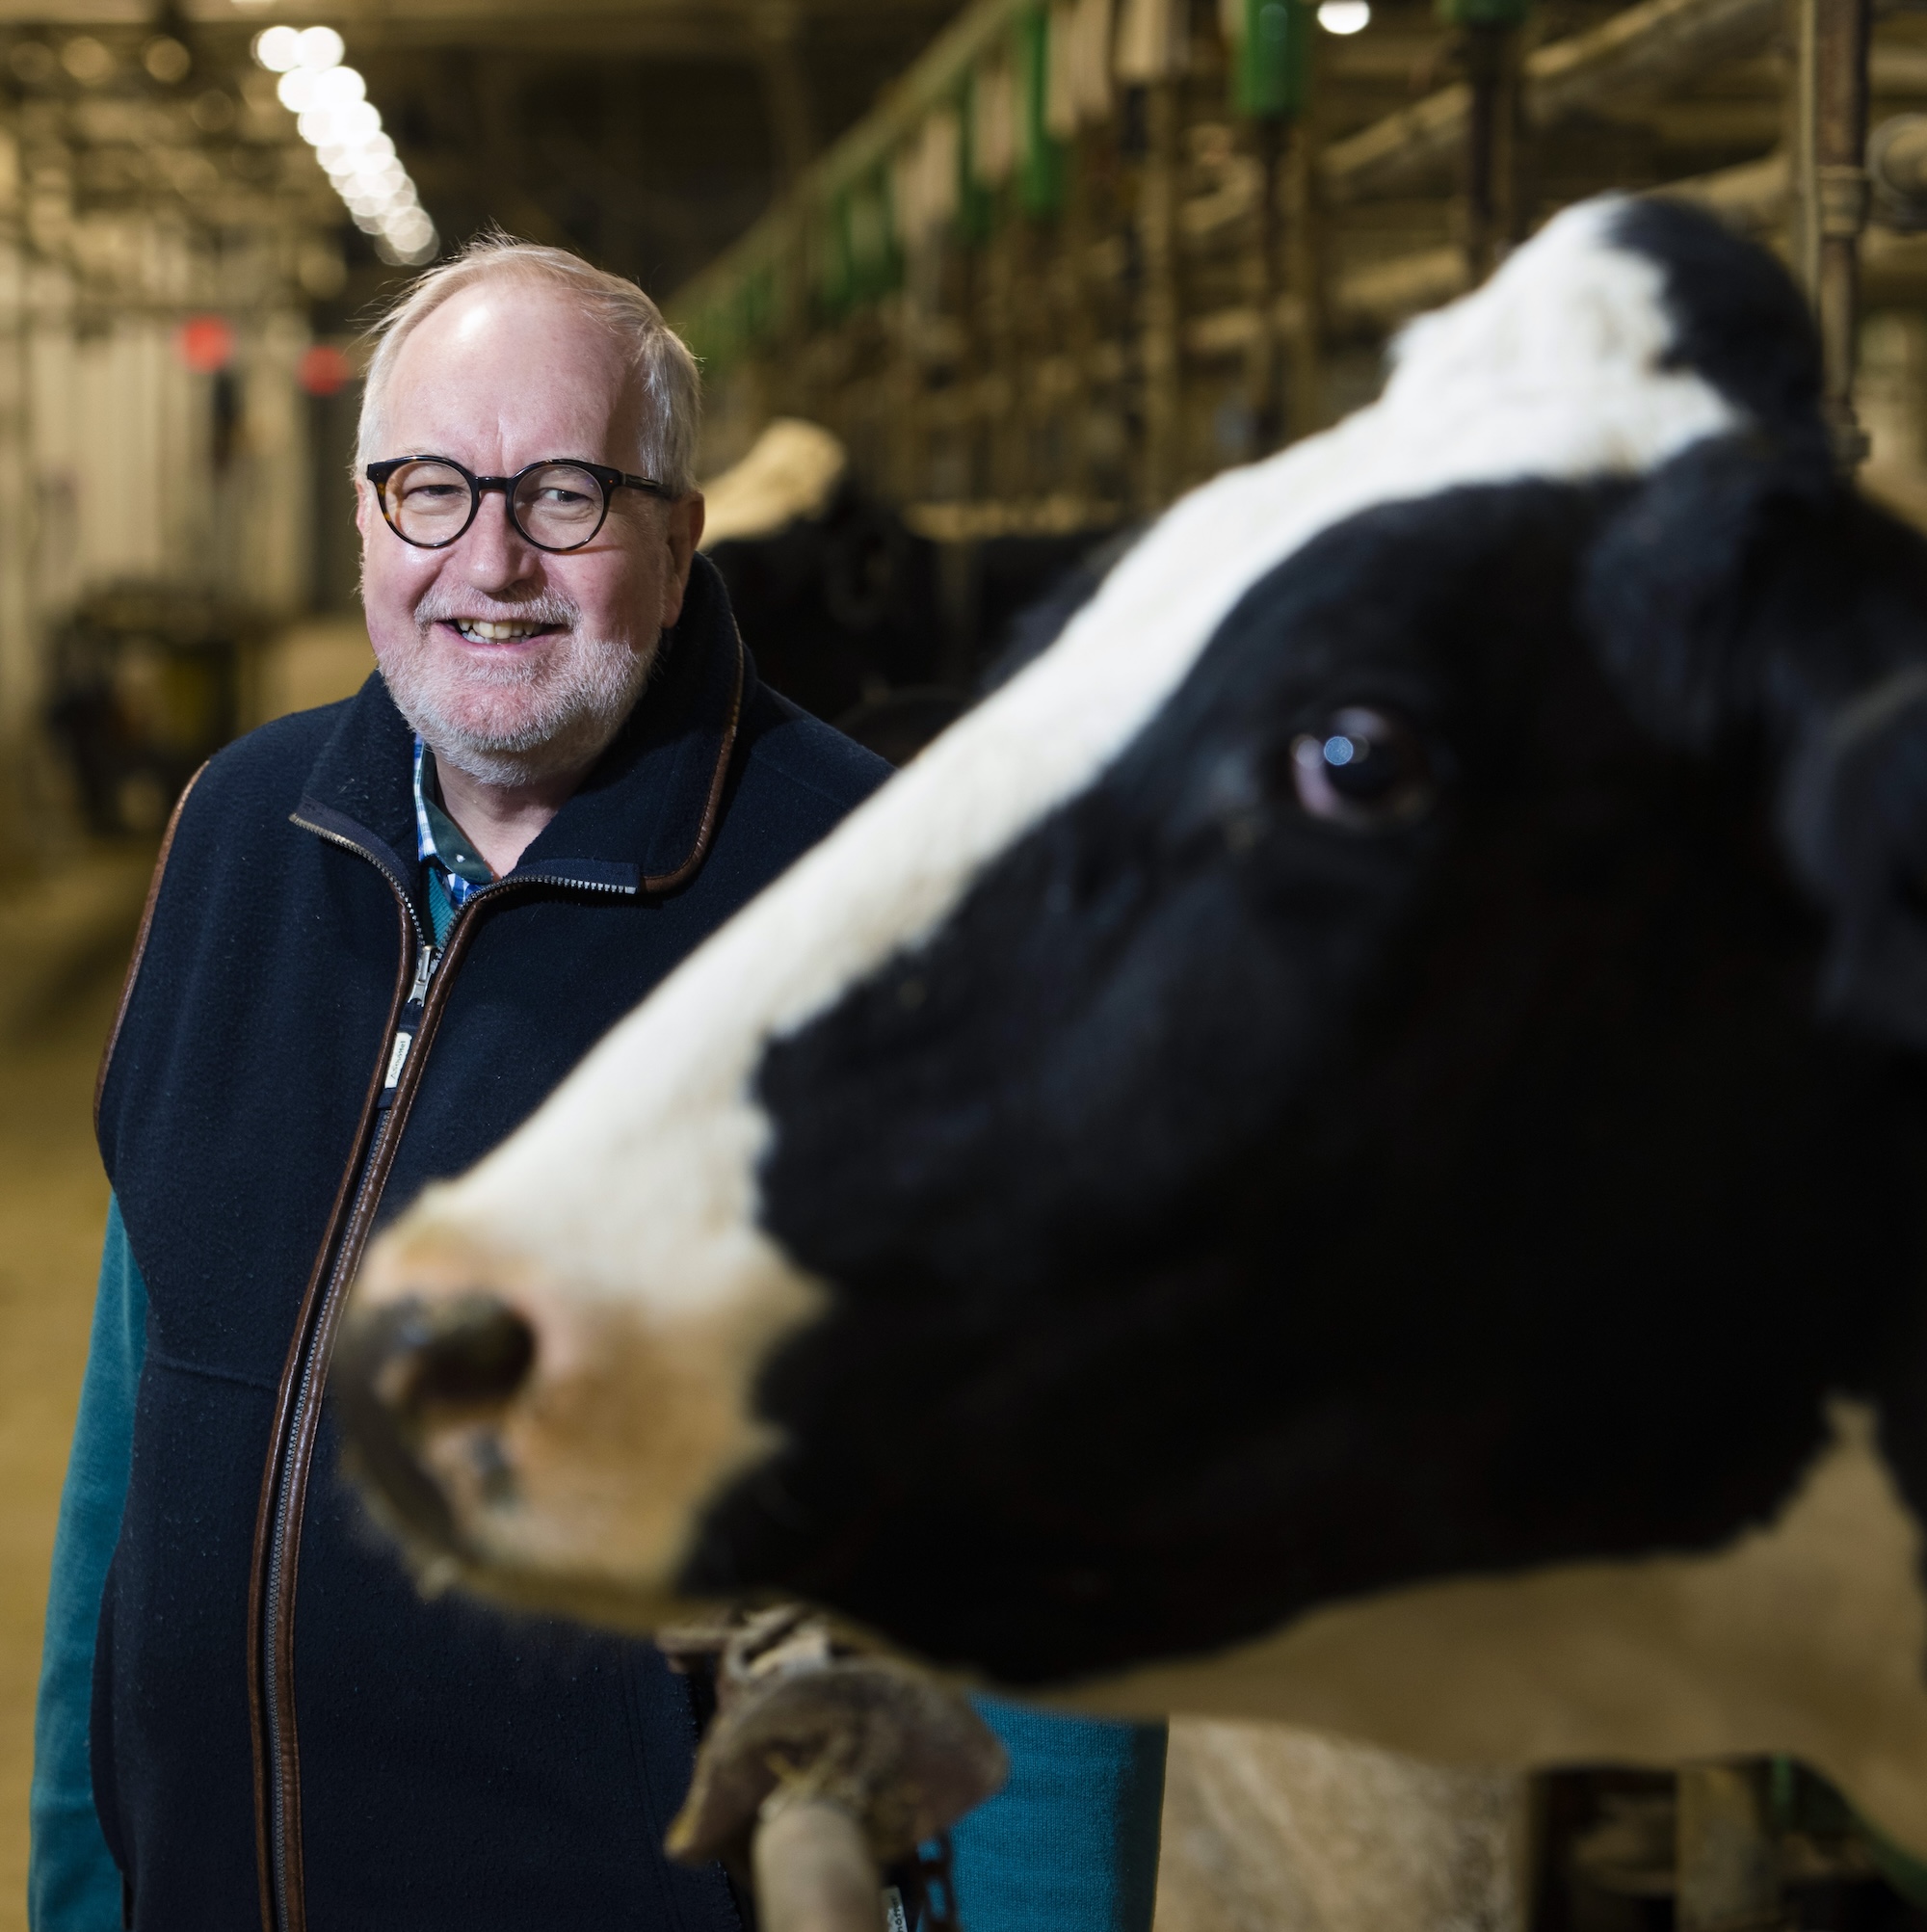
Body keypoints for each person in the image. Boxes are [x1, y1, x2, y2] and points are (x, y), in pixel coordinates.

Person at [28, 236, 1165, 1932]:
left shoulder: (883, 909)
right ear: (363, 516)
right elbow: (134, 1442)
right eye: (430, 489)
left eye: (566, 495)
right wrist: (75, 1871)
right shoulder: (233, 842)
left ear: (680, 530)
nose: (489, 562)